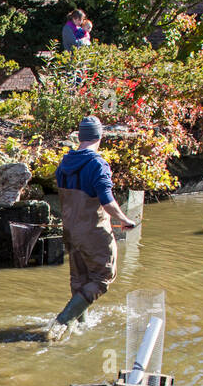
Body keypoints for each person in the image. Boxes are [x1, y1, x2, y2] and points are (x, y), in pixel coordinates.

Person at [49, 116, 138, 339]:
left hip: (71, 232)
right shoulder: (97, 164)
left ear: (80, 136)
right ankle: (62, 321)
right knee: (102, 277)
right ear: (100, 137)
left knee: (80, 280)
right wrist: (124, 219)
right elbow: (106, 200)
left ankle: (79, 326)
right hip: (92, 232)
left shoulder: (64, 163)